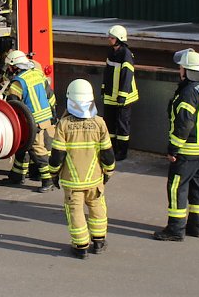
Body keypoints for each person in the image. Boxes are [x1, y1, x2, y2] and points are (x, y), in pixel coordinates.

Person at [154, 48, 199, 242]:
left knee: (177, 188)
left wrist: (173, 148)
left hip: (187, 151)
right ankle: (197, 227)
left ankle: (175, 229)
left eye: (181, 67)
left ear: (187, 70)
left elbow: (184, 123)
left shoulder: (188, 92)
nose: (179, 70)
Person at [49, 79, 116, 259]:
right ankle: (99, 241)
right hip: (95, 178)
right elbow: (107, 153)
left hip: (72, 181)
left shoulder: (63, 125)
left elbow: (57, 155)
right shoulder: (100, 123)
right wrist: (108, 171)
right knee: (97, 207)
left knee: (75, 211)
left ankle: (80, 247)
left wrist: (53, 173)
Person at [4, 49, 57, 192]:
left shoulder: (17, 83)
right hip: (46, 118)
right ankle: (17, 175)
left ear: (16, 66)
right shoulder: (37, 74)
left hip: (32, 122)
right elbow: (50, 96)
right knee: (22, 147)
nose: (8, 69)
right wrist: (53, 114)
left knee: (37, 150)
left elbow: (13, 107)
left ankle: (48, 180)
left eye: (10, 66)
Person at [101, 24, 138, 161]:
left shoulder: (126, 54)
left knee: (122, 124)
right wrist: (104, 88)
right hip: (110, 95)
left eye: (112, 38)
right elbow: (107, 72)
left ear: (119, 39)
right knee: (109, 123)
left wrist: (122, 95)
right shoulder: (112, 52)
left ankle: (122, 152)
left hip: (124, 97)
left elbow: (127, 76)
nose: (109, 39)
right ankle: (112, 149)